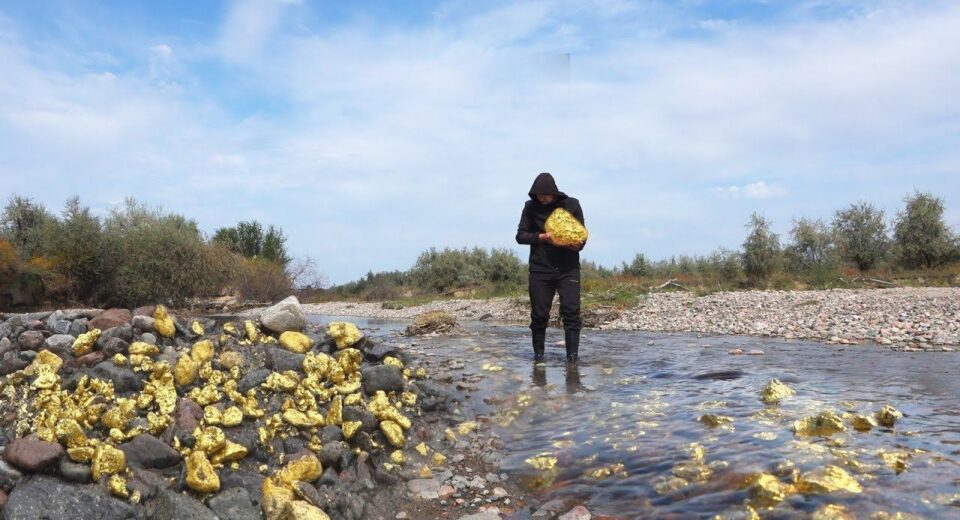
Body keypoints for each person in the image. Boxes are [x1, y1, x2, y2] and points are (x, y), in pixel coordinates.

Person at [515, 172, 586, 363]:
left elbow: (581, 239)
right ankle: (538, 358)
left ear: (553, 192)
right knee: (539, 315)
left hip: (568, 269)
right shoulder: (530, 208)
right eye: (538, 195)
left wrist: (567, 242)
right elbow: (520, 236)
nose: (541, 198)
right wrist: (541, 237)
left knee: (571, 313)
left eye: (544, 195)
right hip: (540, 270)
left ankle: (572, 360)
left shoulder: (571, 205)